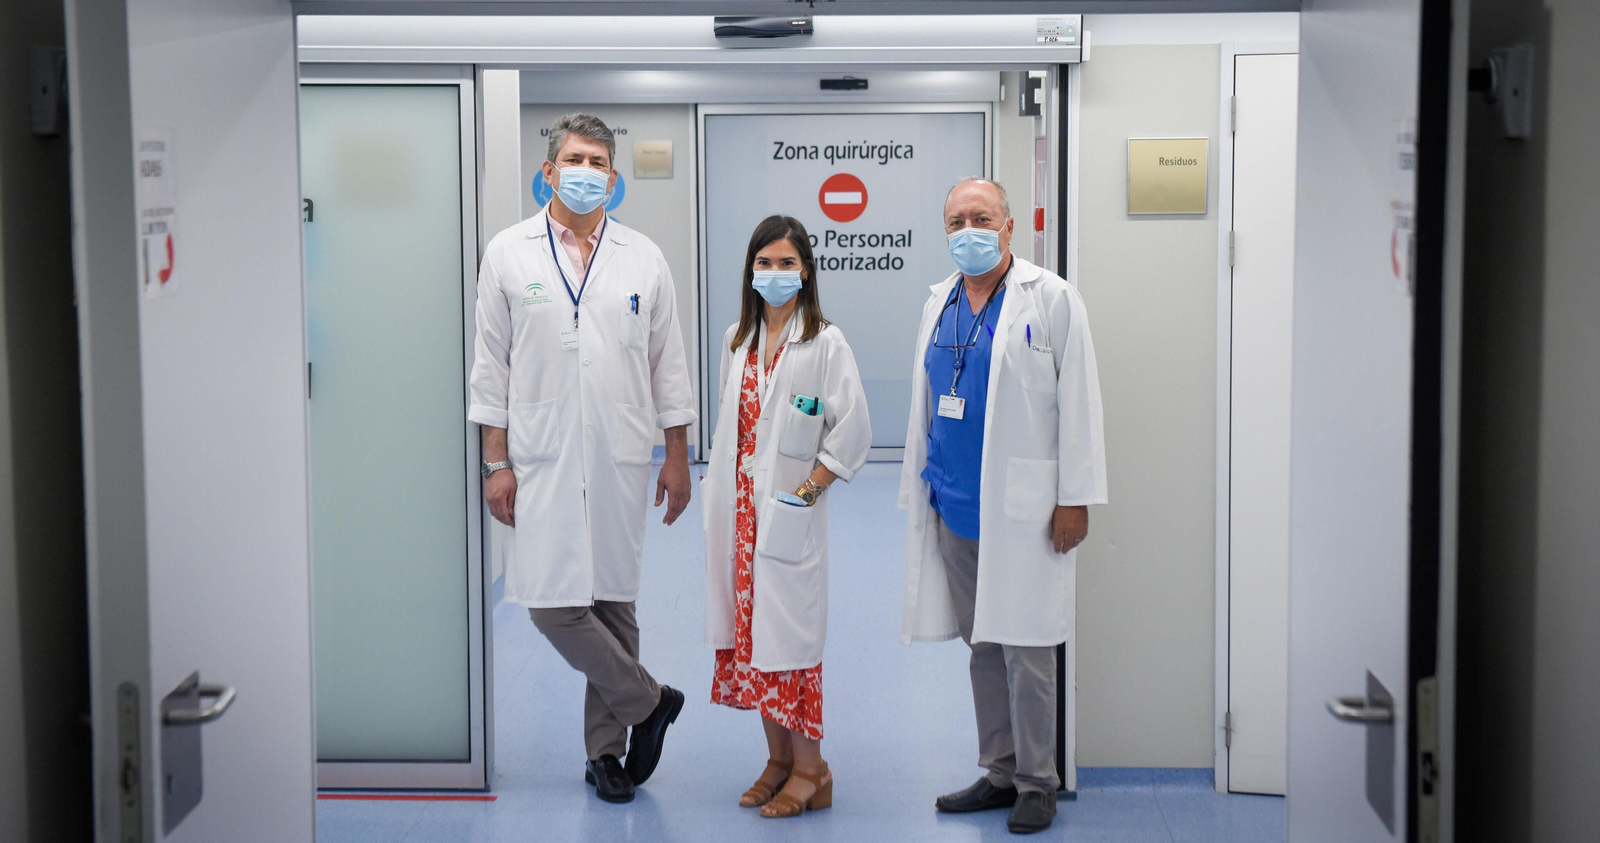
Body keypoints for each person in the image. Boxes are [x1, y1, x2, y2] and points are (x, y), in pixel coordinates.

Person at [469, 113, 695, 804]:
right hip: (540, 455)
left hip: (622, 451)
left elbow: (669, 365)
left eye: (599, 162)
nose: (587, 172)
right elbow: (490, 364)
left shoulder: (642, 256)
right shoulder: (509, 252)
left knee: (614, 602)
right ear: (548, 170)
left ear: (615, 178)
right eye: (575, 158)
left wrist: (678, 456)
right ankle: (648, 700)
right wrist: (495, 461)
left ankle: (607, 754)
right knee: (550, 602)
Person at [898, 177, 1107, 834]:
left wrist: (1074, 497)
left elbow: (1079, 403)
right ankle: (999, 768)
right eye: (956, 219)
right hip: (954, 502)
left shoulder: (1050, 299)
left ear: (1010, 225)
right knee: (983, 642)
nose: (968, 230)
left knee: (1028, 643)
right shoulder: (940, 302)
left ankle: (1038, 781)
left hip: (1024, 507)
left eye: (980, 217)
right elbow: (931, 400)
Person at [701, 215, 872, 818]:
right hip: (739, 515)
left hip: (789, 511)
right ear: (751, 270)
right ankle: (776, 763)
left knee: (793, 644)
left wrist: (807, 490)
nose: (775, 274)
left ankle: (811, 771)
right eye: (765, 262)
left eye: (787, 263)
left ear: (806, 271)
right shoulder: (736, 341)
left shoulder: (825, 341)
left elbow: (853, 430)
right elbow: (733, 432)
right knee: (755, 641)